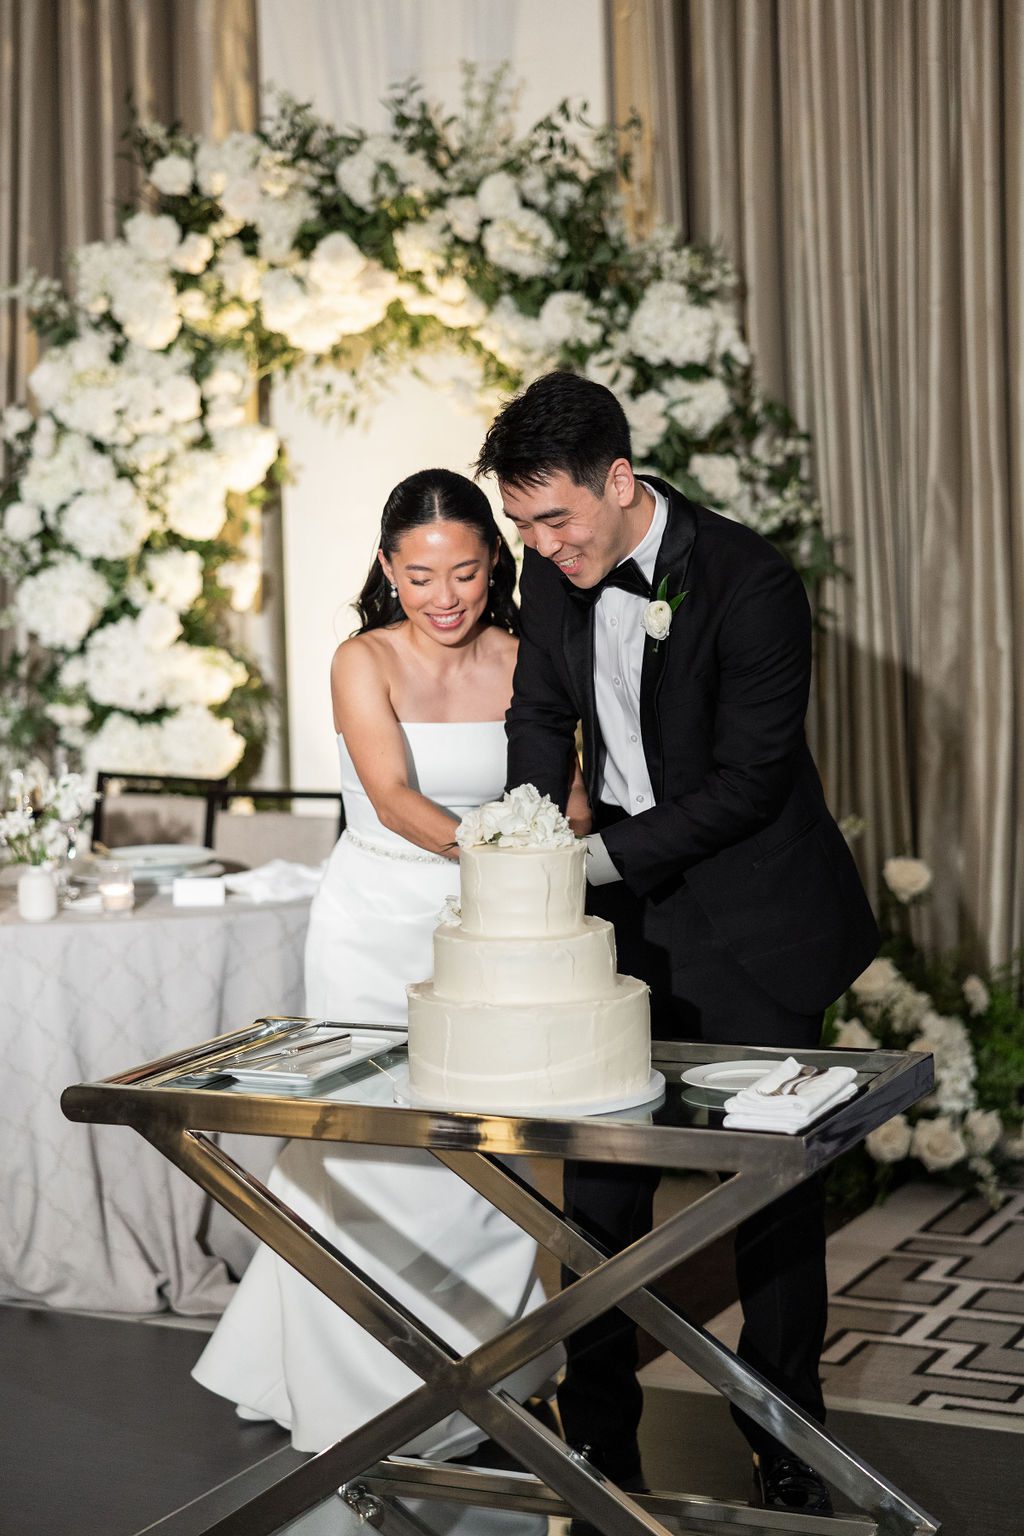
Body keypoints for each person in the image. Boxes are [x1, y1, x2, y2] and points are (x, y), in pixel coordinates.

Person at [476, 371, 880, 1517]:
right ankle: (596, 1434)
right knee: (596, 1196)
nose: (543, 546)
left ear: (620, 481)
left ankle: (784, 1434)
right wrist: (527, 826)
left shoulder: (748, 580)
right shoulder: (550, 570)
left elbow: (752, 782)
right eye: (524, 526)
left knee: (770, 1201)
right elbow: (538, 716)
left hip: (756, 923)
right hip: (623, 932)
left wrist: (596, 857)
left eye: (557, 519)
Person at [193, 468, 565, 1459]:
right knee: (371, 1148)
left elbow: (571, 793)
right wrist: (506, 852)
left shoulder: (534, 657)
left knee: (489, 1150)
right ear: (387, 570)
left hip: (498, 939)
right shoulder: (361, 658)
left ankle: (490, 1374)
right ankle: (355, 1388)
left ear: (496, 564)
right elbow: (394, 796)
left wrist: (553, 841)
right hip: (375, 934)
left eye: (468, 574)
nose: (445, 599)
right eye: (420, 576)